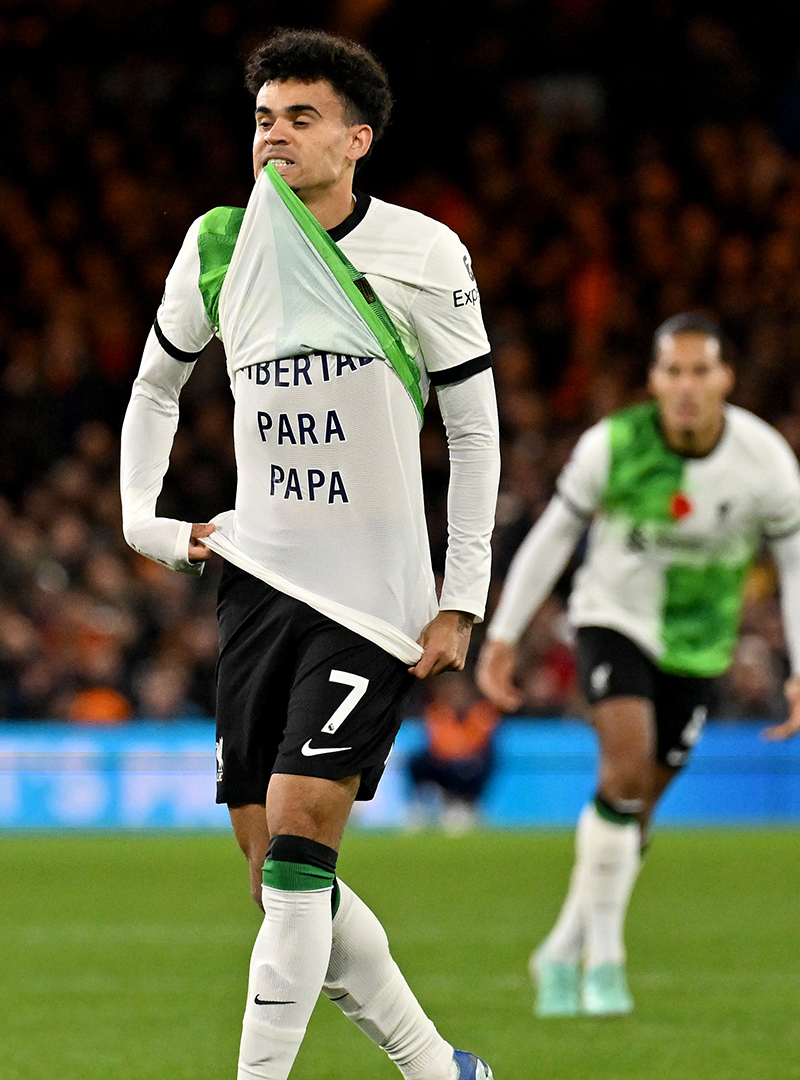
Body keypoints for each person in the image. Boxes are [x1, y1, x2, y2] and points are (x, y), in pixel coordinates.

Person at [121, 29, 498, 1080]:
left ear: (357, 138)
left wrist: (460, 596)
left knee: (297, 841)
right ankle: (438, 1070)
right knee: (279, 875)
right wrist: (137, 517)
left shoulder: (424, 254)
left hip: (373, 602)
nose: (274, 137)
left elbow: (474, 433)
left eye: (301, 118)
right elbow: (156, 387)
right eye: (262, 118)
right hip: (258, 580)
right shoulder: (216, 245)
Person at [477, 313, 800, 1018]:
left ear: (725, 378)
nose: (688, 386)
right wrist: (505, 633)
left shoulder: (766, 461)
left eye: (702, 371)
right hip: (613, 621)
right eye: (675, 371)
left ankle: (559, 948)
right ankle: (606, 963)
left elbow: (797, 566)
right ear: (654, 380)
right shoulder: (612, 447)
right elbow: (554, 535)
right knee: (624, 770)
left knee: (635, 811)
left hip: (699, 646)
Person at [406, 671, 499, 834]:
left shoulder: (481, 713)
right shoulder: (438, 712)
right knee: (417, 761)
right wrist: (458, 750)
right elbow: (440, 744)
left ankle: (466, 805)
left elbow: (479, 742)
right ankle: (425, 804)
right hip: (445, 764)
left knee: (482, 763)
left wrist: (461, 751)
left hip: (470, 765)